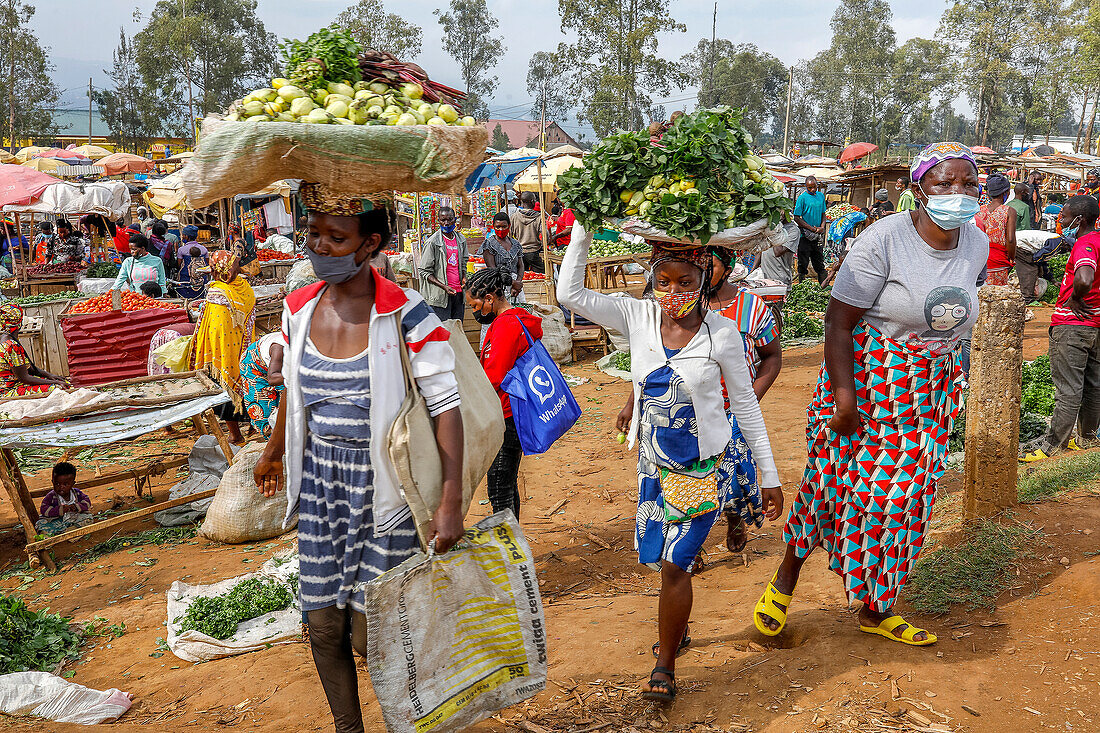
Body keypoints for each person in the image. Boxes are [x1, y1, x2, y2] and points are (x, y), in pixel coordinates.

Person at [755, 141, 987, 648]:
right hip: (867, 380)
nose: (959, 193)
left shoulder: (976, 243)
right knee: (829, 486)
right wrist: (844, 395)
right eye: (944, 183)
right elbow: (838, 324)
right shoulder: (884, 239)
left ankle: (875, 608)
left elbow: (959, 322)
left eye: (968, 183)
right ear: (918, 188)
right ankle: (786, 580)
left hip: (928, 391)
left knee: (900, 500)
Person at [253, 183, 464, 733]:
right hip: (321, 489)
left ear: (370, 244)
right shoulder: (298, 308)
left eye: (337, 237)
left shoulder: (406, 314)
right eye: (315, 233)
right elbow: (294, 396)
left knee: (379, 634)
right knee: (323, 626)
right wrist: (275, 452)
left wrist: (451, 503)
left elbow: (447, 409)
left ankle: (413, 723)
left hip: (385, 493)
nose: (321, 246)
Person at [558, 225, 781, 704]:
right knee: (664, 561)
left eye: (684, 282)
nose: (673, 293)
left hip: (702, 467)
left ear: (704, 280)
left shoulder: (721, 332)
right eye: (663, 282)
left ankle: (665, 666)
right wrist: (581, 225)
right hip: (653, 467)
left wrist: (771, 475)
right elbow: (568, 292)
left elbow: (745, 406)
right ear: (651, 281)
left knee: (678, 563)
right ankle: (674, 627)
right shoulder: (636, 316)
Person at [1022, 195, 1100, 462]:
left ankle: (1053, 445)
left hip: (1073, 325)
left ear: (1079, 220)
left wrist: (1076, 297)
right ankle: (1087, 438)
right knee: (1094, 385)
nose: (1061, 221)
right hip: (1096, 326)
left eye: (1064, 217)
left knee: (1068, 388)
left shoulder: (1085, 244)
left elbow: (1085, 277)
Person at [466, 267, 542, 518]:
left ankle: (512, 552)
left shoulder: (505, 326)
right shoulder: (515, 320)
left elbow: (495, 376)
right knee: (506, 484)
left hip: (507, 414)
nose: (474, 311)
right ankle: (516, 545)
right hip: (513, 409)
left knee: (499, 488)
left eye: (475, 305)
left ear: (489, 298)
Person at [190, 250, 256, 444]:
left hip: (222, 350)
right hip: (244, 347)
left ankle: (235, 434)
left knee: (225, 387)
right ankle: (253, 423)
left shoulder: (217, 293)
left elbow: (216, 328)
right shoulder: (243, 287)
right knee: (247, 383)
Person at [0, 303, 66, 398]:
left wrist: (49, 375)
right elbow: (25, 378)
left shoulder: (6, 340)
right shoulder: (11, 346)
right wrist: (54, 382)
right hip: (7, 392)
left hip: (12, 386)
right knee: (58, 387)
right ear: (19, 322)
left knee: (60, 383)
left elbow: (29, 369)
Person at [417, 206, 468, 322]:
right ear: (438, 221)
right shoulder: (433, 242)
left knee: (457, 330)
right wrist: (444, 286)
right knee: (443, 331)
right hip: (440, 297)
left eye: (449, 219)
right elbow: (424, 271)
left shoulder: (461, 240)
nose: (446, 223)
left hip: (458, 294)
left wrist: (464, 277)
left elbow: (464, 262)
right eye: (443, 220)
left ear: (455, 220)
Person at [241, 331, 285, 437]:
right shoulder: (279, 347)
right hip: (254, 367)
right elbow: (273, 379)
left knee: (289, 400)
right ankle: (273, 442)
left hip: (281, 370)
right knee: (264, 410)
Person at [975, 173, 1016, 286]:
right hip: (999, 262)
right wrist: (1012, 258)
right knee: (998, 298)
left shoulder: (979, 210)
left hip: (980, 260)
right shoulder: (1009, 211)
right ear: (1006, 193)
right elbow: (1011, 239)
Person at [35, 463, 93, 535]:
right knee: (40, 524)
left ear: (72, 483)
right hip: (57, 521)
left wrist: (76, 506)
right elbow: (44, 509)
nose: (61, 487)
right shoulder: (51, 496)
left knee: (88, 518)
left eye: (65, 484)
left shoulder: (77, 493)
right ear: (52, 482)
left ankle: (71, 532)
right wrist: (60, 510)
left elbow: (87, 502)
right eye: (57, 484)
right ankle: (48, 537)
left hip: (74, 519)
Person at [480, 212, 525, 301]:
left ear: (509, 226)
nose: (501, 229)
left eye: (504, 227)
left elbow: (521, 265)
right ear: (493, 227)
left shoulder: (516, 244)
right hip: (498, 285)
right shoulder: (489, 244)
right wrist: (512, 283)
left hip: (516, 286)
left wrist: (518, 283)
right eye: (498, 227)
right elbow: (492, 269)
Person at [793, 176, 827, 284]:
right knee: (803, 263)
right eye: (810, 188)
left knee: (819, 262)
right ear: (806, 187)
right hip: (805, 236)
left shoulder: (821, 196)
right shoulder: (802, 198)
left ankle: (823, 287)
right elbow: (796, 217)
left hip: (817, 236)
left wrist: (822, 227)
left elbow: (823, 214)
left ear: (817, 185)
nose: (812, 189)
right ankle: (801, 286)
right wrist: (811, 228)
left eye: (814, 187)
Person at [756, 216, 800, 293]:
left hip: (779, 281)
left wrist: (775, 227)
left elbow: (778, 252)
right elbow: (761, 251)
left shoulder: (793, 230)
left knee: (777, 304)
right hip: (763, 279)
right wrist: (752, 271)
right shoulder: (769, 227)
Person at [511, 191, 545, 272]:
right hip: (534, 252)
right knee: (541, 276)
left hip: (519, 252)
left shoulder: (514, 217)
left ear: (521, 201)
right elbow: (544, 235)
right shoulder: (539, 217)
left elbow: (509, 236)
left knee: (522, 277)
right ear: (533, 201)